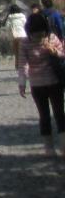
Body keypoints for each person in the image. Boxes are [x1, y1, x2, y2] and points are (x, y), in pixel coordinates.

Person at [15, 11, 65, 157]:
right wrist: (22, 83)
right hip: (37, 85)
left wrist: (54, 51)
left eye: (41, 34)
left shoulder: (51, 38)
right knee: (44, 116)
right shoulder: (25, 43)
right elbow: (23, 64)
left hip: (54, 82)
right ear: (29, 32)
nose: (39, 38)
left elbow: (62, 53)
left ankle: (63, 146)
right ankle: (49, 147)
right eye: (35, 35)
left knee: (60, 114)